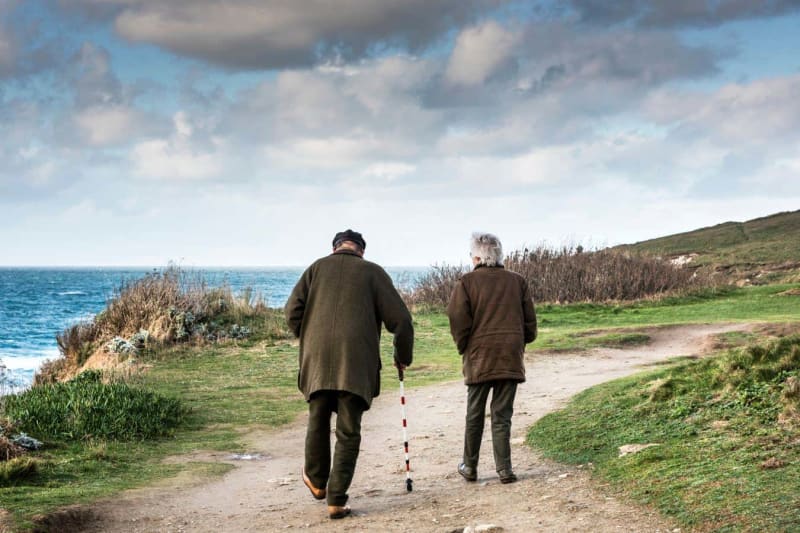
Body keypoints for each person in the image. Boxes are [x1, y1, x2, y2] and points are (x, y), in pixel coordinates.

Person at [285, 229, 414, 519]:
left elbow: (292, 311)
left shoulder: (315, 268)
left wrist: (307, 338)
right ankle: (336, 499)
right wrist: (401, 357)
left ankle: (317, 482)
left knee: (317, 419)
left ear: (334, 249)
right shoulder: (373, 273)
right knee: (348, 431)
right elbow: (402, 320)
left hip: (316, 360)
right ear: (361, 251)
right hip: (356, 363)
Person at [446, 232, 537, 484]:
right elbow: (530, 321)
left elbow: (458, 320)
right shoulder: (517, 281)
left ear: (476, 256)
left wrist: (464, 346)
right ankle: (504, 469)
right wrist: (520, 342)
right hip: (509, 355)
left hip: (479, 357)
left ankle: (470, 466)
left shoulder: (466, 282)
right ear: (499, 255)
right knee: (502, 415)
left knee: (474, 414)